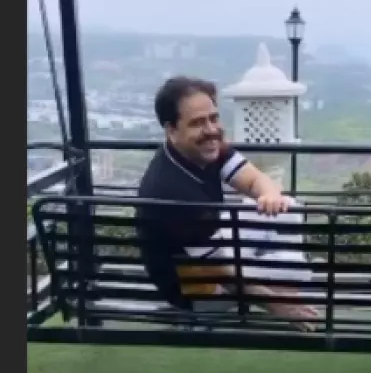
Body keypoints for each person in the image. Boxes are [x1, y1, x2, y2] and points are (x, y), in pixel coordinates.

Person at [137, 76, 319, 331]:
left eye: (213, 118)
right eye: (198, 123)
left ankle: (284, 288)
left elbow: (254, 179)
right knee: (288, 270)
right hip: (195, 290)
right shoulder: (172, 191)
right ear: (172, 130)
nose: (211, 130)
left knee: (286, 208)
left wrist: (269, 195)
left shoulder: (203, 149)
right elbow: (220, 272)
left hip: (209, 253)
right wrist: (278, 306)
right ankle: (285, 293)